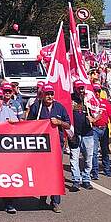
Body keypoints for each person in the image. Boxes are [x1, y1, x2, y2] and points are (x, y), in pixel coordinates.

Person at [27, 84, 70, 213]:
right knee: (43, 172)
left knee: (56, 172)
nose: (49, 96)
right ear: (43, 95)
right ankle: (42, 198)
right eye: (47, 94)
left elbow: (68, 125)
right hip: (41, 146)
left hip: (57, 145)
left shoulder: (60, 107)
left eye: (51, 94)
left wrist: (59, 122)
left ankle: (55, 202)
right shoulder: (37, 107)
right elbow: (28, 124)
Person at [69, 92, 97, 191]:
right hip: (74, 134)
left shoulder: (89, 98)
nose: (80, 90)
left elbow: (99, 112)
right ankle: (76, 180)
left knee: (88, 158)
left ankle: (86, 179)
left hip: (87, 134)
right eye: (78, 88)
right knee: (74, 158)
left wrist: (93, 119)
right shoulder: (69, 99)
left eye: (82, 88)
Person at [90, 87, 111, 179]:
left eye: (98, 91)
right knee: (95, 152)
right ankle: (95, 172)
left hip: (104, 128)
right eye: (95, 91)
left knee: (105, 150)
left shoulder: (106, 102)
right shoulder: (89, 103)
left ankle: (107, 169)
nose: (97, 93)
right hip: (94, 129)